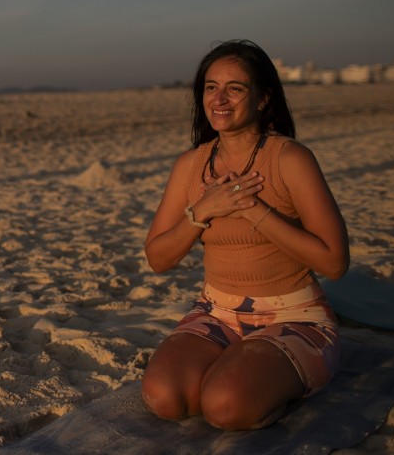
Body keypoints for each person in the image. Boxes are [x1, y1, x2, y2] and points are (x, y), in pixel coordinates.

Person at [140, 39, 349, 430]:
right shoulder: (191, 165)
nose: (219, 98)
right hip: (216, 312)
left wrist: (254, 209)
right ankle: (242, 367)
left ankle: (264, 378)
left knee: (224, 406)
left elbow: (335, 263)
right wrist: (203, 211)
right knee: (166, 397)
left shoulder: (290, 158)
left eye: (235, 88)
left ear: (263, 99)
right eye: (210, 87)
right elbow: (158, 258)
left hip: (295, 316)